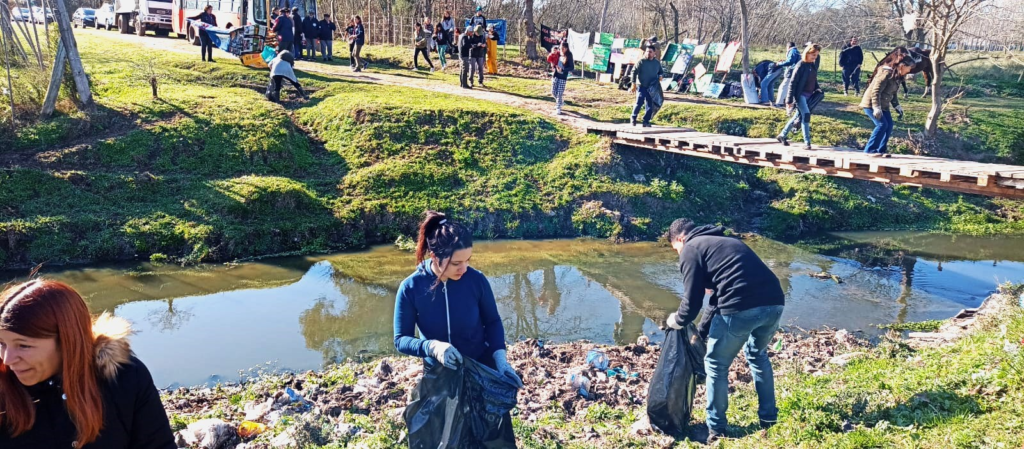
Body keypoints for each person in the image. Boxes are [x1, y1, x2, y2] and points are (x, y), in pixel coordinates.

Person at [393, 211, 522, 444]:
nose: (463, 268)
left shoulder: (476, 280)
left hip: (480, 370)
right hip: (440, 376)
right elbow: (401, 339)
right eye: (456, 263)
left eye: (468, 260)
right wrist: (432, 347)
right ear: (434, 256)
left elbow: (492, 322)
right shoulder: (411, 287)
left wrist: (500, 359)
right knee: (444, 438)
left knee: (488, 437)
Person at [0, 280, 177, 448]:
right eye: (2, 344)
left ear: (67, 340)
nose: (7, 359)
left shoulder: (124, 377)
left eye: (23, 345)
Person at [663, 219, 785, 444]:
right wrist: (701, 331)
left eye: (675, 249)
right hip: (774, 302)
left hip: (740, 307)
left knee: (716, 366)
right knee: (758, 356)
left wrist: (676, 321)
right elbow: (716, 298)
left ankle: (716, 429)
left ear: (680, 238)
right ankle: (769, 419)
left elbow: (691, 303)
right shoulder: (724, 240)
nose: (678, 253)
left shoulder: (690, 248)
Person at [860, 50, 913, 157]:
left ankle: (881, 150)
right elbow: (876, 91)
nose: (910, 71)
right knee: (881, 125)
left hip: (883, 105)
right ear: (902, 66)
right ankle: (870, 150)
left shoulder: (897, 76)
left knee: (889, 126)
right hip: (871, 104)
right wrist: (876, 107)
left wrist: (897, 106)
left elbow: (892, 93)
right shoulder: (885, 73)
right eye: (909, 68)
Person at [776, 43, 821, 150]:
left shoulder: (812, 65)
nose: (814, 57)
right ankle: (807, 142)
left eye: (816, 55)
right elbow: (793, 83)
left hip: (809, 95)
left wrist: (817, 87)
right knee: (805, 115)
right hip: (800, 95)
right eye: (813, 55)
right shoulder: (800, 65)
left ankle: (782, 135)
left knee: (797, 116)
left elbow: (813, 79)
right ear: (807, 53)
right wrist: (789, 100)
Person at [630, 46, 664, 127]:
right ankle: (633, 118)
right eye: (647, 51)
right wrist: (633, 83)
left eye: (650, 52)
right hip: (642, 86)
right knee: (639, 103)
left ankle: (646, 121)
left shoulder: (657, 63)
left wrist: (660, 76)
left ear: (654, 53)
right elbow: (634, 72)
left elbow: (661, 72)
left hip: (652, 87)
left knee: (650, 104)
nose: (648, 53)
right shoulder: (641, 62)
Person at [551, 40, 573, 115]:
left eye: (563, 48)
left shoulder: (569, 55)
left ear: (566, 49)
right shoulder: (558, 54)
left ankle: (558, 107)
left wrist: (563, 69)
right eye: (560, 48)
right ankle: (560, 102)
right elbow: (551, 59)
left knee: (559, 93)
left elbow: (572, 67)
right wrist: (553, 65)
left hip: (563, 77)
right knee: (553, 91)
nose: (561, 50)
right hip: (556, 75)